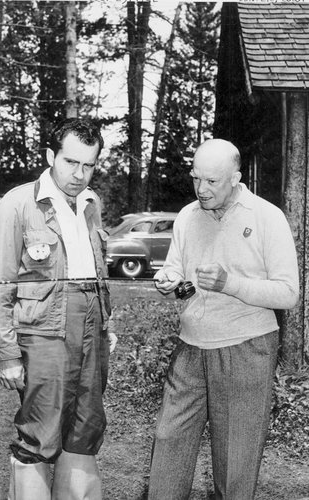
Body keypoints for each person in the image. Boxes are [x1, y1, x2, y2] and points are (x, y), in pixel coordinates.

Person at [148, 138, 299, 500]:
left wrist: (230, 283)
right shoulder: (187, 216)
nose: (201, 189)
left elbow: (288, 293)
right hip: (190, 348)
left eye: (212, 181)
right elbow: (177, 272)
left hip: (246, 348)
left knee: (234, 468)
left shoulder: (266, 217)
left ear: (236, 177)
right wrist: (168, 280)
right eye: (196, 178)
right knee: (167, 445)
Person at [0, 117, 117, 500]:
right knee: (40, 432)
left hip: (91, 328)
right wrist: (7, 354)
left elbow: (97, 271)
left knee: (86, 428)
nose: (79, 174)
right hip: (43, 332)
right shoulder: (18, 204)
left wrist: (106, 324)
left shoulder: (92, 204)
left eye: (88, 165)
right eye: (71, 162)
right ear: (50, 156)